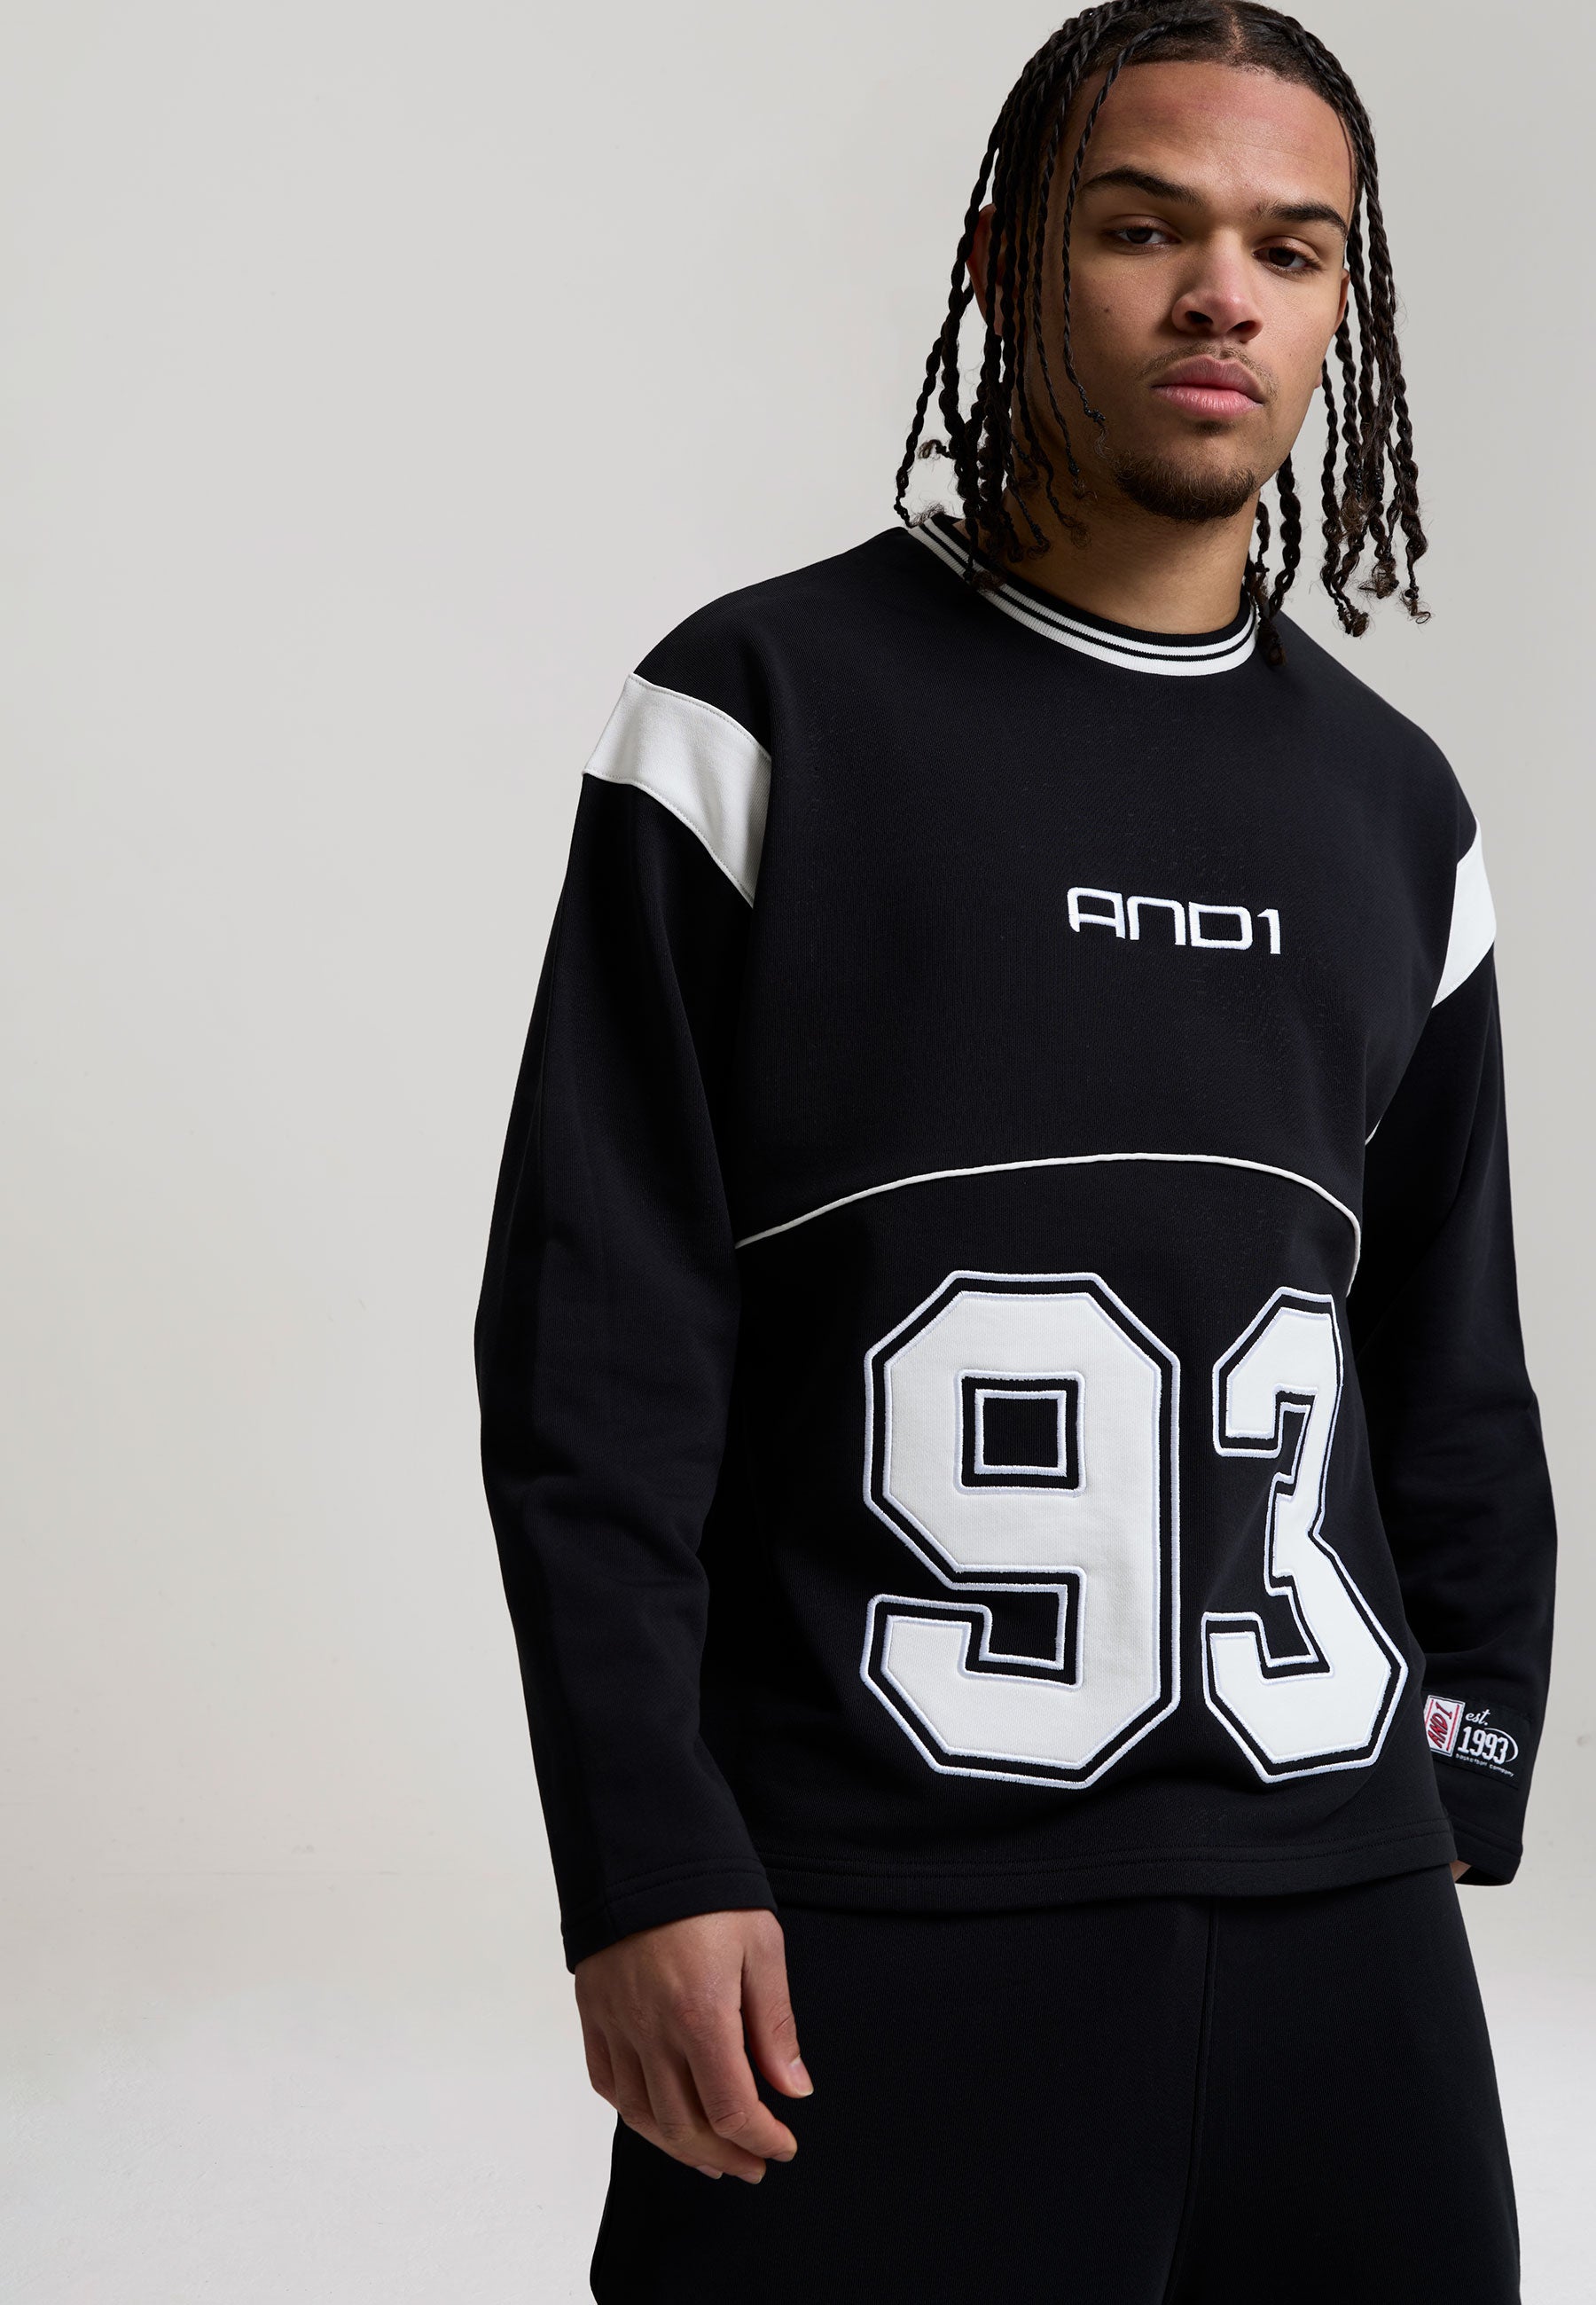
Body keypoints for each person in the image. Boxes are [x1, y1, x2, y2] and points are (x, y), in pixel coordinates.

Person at [475, 4, 1556, 2297]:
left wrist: (1466, 1756)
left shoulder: (1397, 808)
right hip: (870, 1913)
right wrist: (643, 1852)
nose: (1221, 296)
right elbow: (598, 1349)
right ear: (1005, 254)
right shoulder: (756, 713)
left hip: (1337, 1911)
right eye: (1143, 227)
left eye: (1290, 248)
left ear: (1341, 304)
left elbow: (1451, 1353)